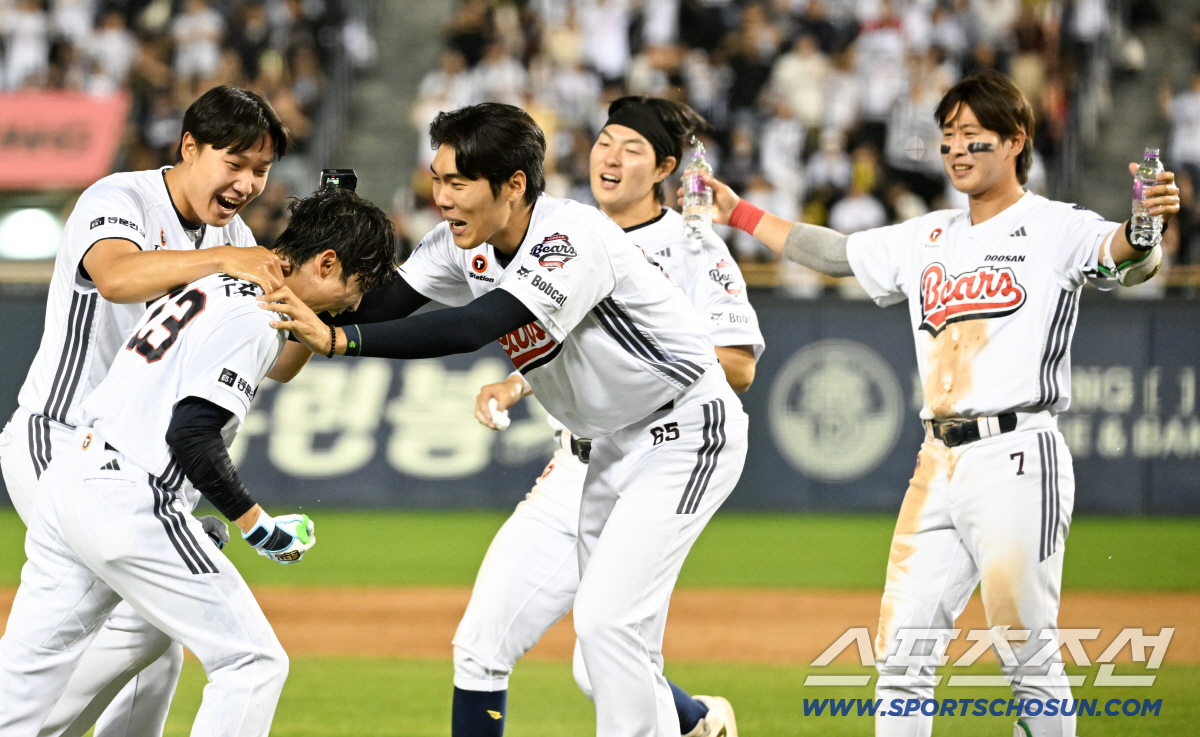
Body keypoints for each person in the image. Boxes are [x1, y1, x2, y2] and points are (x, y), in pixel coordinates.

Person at [699, 70, 1176, 737]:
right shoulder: (927, 236)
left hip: (1017, 454)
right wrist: (740, 213)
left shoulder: (1052, 227)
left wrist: (1145, 226)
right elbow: (836, 254)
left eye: (972, 137)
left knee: (1027, 656)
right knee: (902, 654)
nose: (955, 149)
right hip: (937, 461)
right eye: (948, 136)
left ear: (1015, 142)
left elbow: (1125, 258)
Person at [269, 102, 750, 737]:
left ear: (514, 185)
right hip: (602, 448)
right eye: (436, 179)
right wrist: (308, 274)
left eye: (458, 183)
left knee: (606, 626)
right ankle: (694, 727)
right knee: (581, 646)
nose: (440, 198)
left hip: (685, 429)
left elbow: (474, 326)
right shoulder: (460, 242)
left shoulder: (569, 237)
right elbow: (385, 303)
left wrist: (337, 342)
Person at [0, 186, 398, 736]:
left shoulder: (215, 282)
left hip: (72, 481)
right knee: (253, 663)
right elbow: (192, 434)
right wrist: (258, 527)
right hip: (129, 497)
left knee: (22, 685)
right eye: (359, 285)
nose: (356, 304)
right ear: (327, 262)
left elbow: (284, 357)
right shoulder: (257, 313)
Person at [0, 86, 310, 737]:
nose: (249, 182)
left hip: (131, 461)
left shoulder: (231, 233)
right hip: (54, 437)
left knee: (156, 639)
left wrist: (313, 315)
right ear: (189, 146)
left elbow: (277, 361)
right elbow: (115, 275)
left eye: (261, 169)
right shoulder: (119, 198)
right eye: (236, 162)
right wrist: (224, 258)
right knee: (147, 623)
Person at [450, 96, 764, 737]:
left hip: (659, 449)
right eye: (604, 141)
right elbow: (568, 346)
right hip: (576, 463)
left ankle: (695, 722)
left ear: (664, 169)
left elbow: (738, 365)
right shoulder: (557, 232)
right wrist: (520, 383)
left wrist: (653, 340)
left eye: (632, 148)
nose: (610, 157)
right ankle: (702, 724)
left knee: (603, 653)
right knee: (481, 643)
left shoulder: (691, 243)